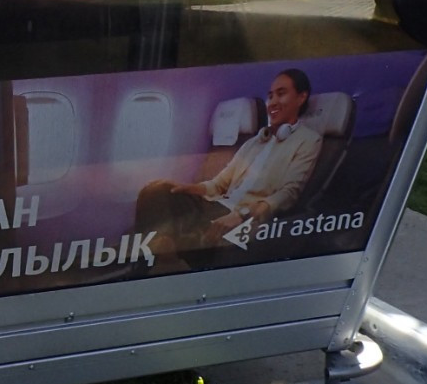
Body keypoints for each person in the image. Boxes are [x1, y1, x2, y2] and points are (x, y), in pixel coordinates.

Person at [133, 69, 324, 265]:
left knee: (178, 229)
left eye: (281, 94)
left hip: (248, 217)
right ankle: (160, 256)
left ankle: (160, 258)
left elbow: (289, 193)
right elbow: (219, 184)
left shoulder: (308, 141)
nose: (273, 102)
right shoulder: (255, 141)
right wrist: (190, 188)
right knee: (155, 190)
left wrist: (242, 214)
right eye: (270, 96)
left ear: (301, 97)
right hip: (218, 205)